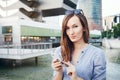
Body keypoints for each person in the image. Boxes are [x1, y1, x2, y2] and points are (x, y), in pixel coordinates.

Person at [51, 9, 106, 80]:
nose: (71, 32)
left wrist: (76, 78)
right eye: (67, 28)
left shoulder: (97, 54)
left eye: (75, 26)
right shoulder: (59, 51)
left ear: (84, 28)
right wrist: (59, 72)